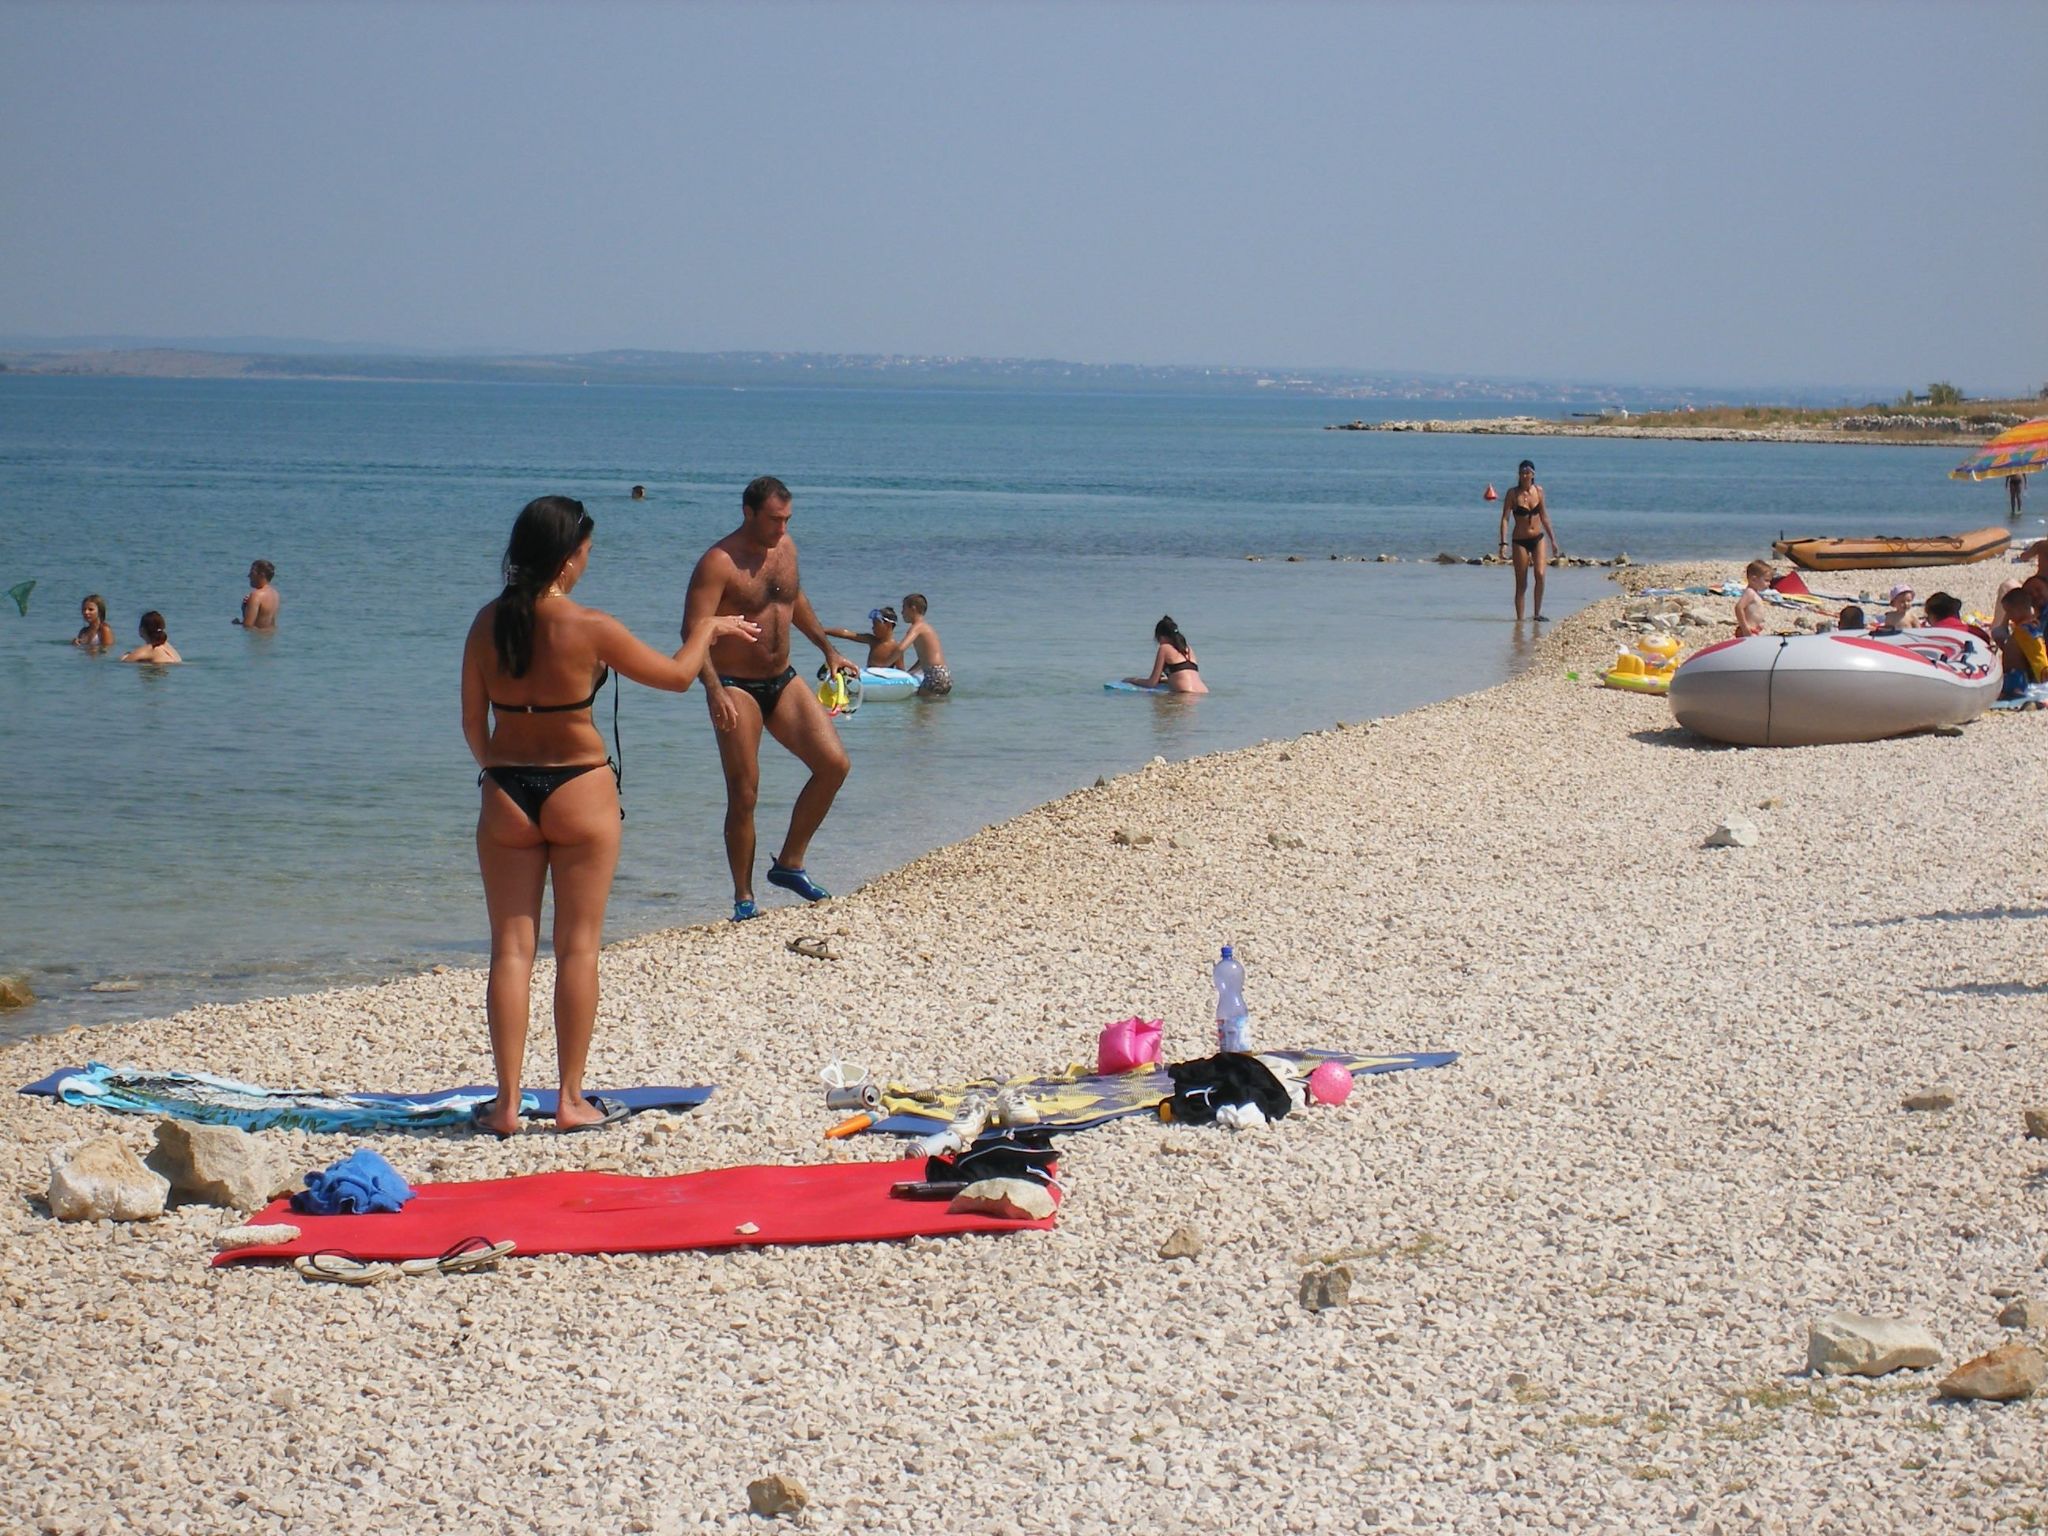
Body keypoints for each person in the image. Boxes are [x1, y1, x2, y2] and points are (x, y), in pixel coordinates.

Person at [462, 495, 759, 1137]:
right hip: (581, 791)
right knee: (577, 948)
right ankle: (569, 1100)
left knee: (510, 951)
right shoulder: (590, 626)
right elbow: (679, 677)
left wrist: (499, 773)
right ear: (569, 557)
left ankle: (508, 1104)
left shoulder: (487, 622)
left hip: (507, 793)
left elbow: (471, 724)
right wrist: (707, 631)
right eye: (587, 551)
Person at [683, 476, 856, 922]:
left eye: (787, 520)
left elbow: (791, 601)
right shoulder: (718, 562)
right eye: (774, 520)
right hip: (735, 685)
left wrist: (828, 648)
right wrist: (713, 689)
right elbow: (692, 632)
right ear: (748, 513)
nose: (782, 528)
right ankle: (744, 899)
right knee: (745, 792)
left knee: (834, 764)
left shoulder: (787, 549)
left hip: (782, 679)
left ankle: (789, 864)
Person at [1496, 459, 1562, 621]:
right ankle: (1519, 620)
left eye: (1528, 473)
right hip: (1520, 541)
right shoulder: (1512, 493)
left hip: (1538, 538)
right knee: (1522, 582)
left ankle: (1537, 614)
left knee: (1540, 574)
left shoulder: (1539, 491)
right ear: (1518, 475)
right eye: (1522, 473)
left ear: (1533, 474)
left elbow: (1544, 517)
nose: (1525, 476)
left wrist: (1553, 540)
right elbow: (1505, 518)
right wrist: (1503, 543)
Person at [1125, 615, 1207, 694]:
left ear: (1162, 637)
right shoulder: (1188, 649)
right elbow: (1183, 675)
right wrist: (1165, 680)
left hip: (1185, 694)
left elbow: (1151, 683)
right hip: (1202, 693)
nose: (1159, 643)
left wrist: (1132, 680)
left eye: (1158, 639)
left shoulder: (1164, 648)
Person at [1995, 586, 2046, 699]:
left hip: (2018, 679)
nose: (2008, 617)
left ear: (2017, 610)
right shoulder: (2022, 629)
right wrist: (2003, 645)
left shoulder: (2026, 630)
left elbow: (2037, 656)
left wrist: (2044, 676)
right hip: (2014, 675)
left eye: (2009, 612)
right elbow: (2018, 652)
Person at [898, 593, 951, 696]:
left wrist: (884, 664)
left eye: (904, 608)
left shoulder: (917, 627)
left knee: (921, 709)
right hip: (944, 674)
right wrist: (909, 673)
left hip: (934, 675)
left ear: (913, 609)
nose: (902, 612)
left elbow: (900, 649)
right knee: (933, 709)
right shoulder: (928, 628)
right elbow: (924, 659)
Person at [823, 606, 906, 669]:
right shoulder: (872, 640)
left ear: (888, 625)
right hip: (869, 680)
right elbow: (846, 634)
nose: (873, 628)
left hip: (883, 685)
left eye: (876, 625)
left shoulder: (896, 647)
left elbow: (901, 671)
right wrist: (823, 630)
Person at [237, 561, 280, 629]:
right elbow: (266, 623)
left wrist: (237, 623)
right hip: (270, 637)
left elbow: (248, 627)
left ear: (261, 575)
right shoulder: (275, 594)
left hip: (258, 638)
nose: (249, 576)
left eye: (252, 573)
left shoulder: (256, 595)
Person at [1733, 562, 1772, 637]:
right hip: (1748, 630)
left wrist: (1759, 624)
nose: (1769, 584)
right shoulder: (1750, 592)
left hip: (1754, 629)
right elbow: (1738, 607)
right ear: (1754, 579)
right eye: (1766, 580)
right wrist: (1744, 627)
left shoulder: (1755, 593)